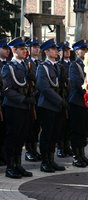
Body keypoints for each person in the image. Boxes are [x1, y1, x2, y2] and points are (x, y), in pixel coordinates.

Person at [1, 37, 35, 178]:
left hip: (25, 108)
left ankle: (18, 164)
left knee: (21, 137)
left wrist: (32, 93)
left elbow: (29, 86)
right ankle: (10, 167)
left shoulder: (25, 65)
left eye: (25, 49)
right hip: (14, 107)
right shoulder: (8, 67)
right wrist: (23, 99)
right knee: (12, 138)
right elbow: (7, 89)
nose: (25, 51)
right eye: (21, 49)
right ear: (14, 50)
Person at [36, 39, 66, 173]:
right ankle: (44, 162)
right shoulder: (43, 67)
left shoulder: (58, 66)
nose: (56, 51)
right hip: (48, 105)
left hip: (58, 106)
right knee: (47, 135)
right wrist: (59, 100)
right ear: (47, 52)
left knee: (55, 134)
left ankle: (51, 160)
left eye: (56, 49)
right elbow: (44, 88)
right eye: (53, 49)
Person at [68, 40, 88, 168]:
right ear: (76, 51)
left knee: (84, 130)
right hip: (77, 102)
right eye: (82, 49)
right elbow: (77, 84)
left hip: (86, 103)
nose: (85, 51)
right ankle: (76, 156)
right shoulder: (74, 65)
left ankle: (82, 155)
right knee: (76, 131)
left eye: (86, 49)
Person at [24, 38, 42, 162]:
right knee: (29, 126)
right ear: (28, 49)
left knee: (36, 127)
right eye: (34, 47)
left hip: (39, 99)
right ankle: (29, 151)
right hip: (29, 99)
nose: (36, 49)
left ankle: (34, 149)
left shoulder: (40, 63)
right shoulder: (26, 63)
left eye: (37, 47)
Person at [56, 41, 73, 158]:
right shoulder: (58, 64)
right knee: (60, 124)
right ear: (59, 52)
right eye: (64, 50)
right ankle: (60, 147)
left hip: (70, 96)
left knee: (69, 124)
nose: (67, 52)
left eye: (68, 50)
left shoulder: (72, 64)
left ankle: (67, 145)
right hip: (61, 96)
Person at [0, 38, 10, 166]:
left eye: (8, 48)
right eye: (4, 48)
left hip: (5, 102)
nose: (7, 51)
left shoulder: (8, 65)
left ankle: (3, 155)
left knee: (5, 130)